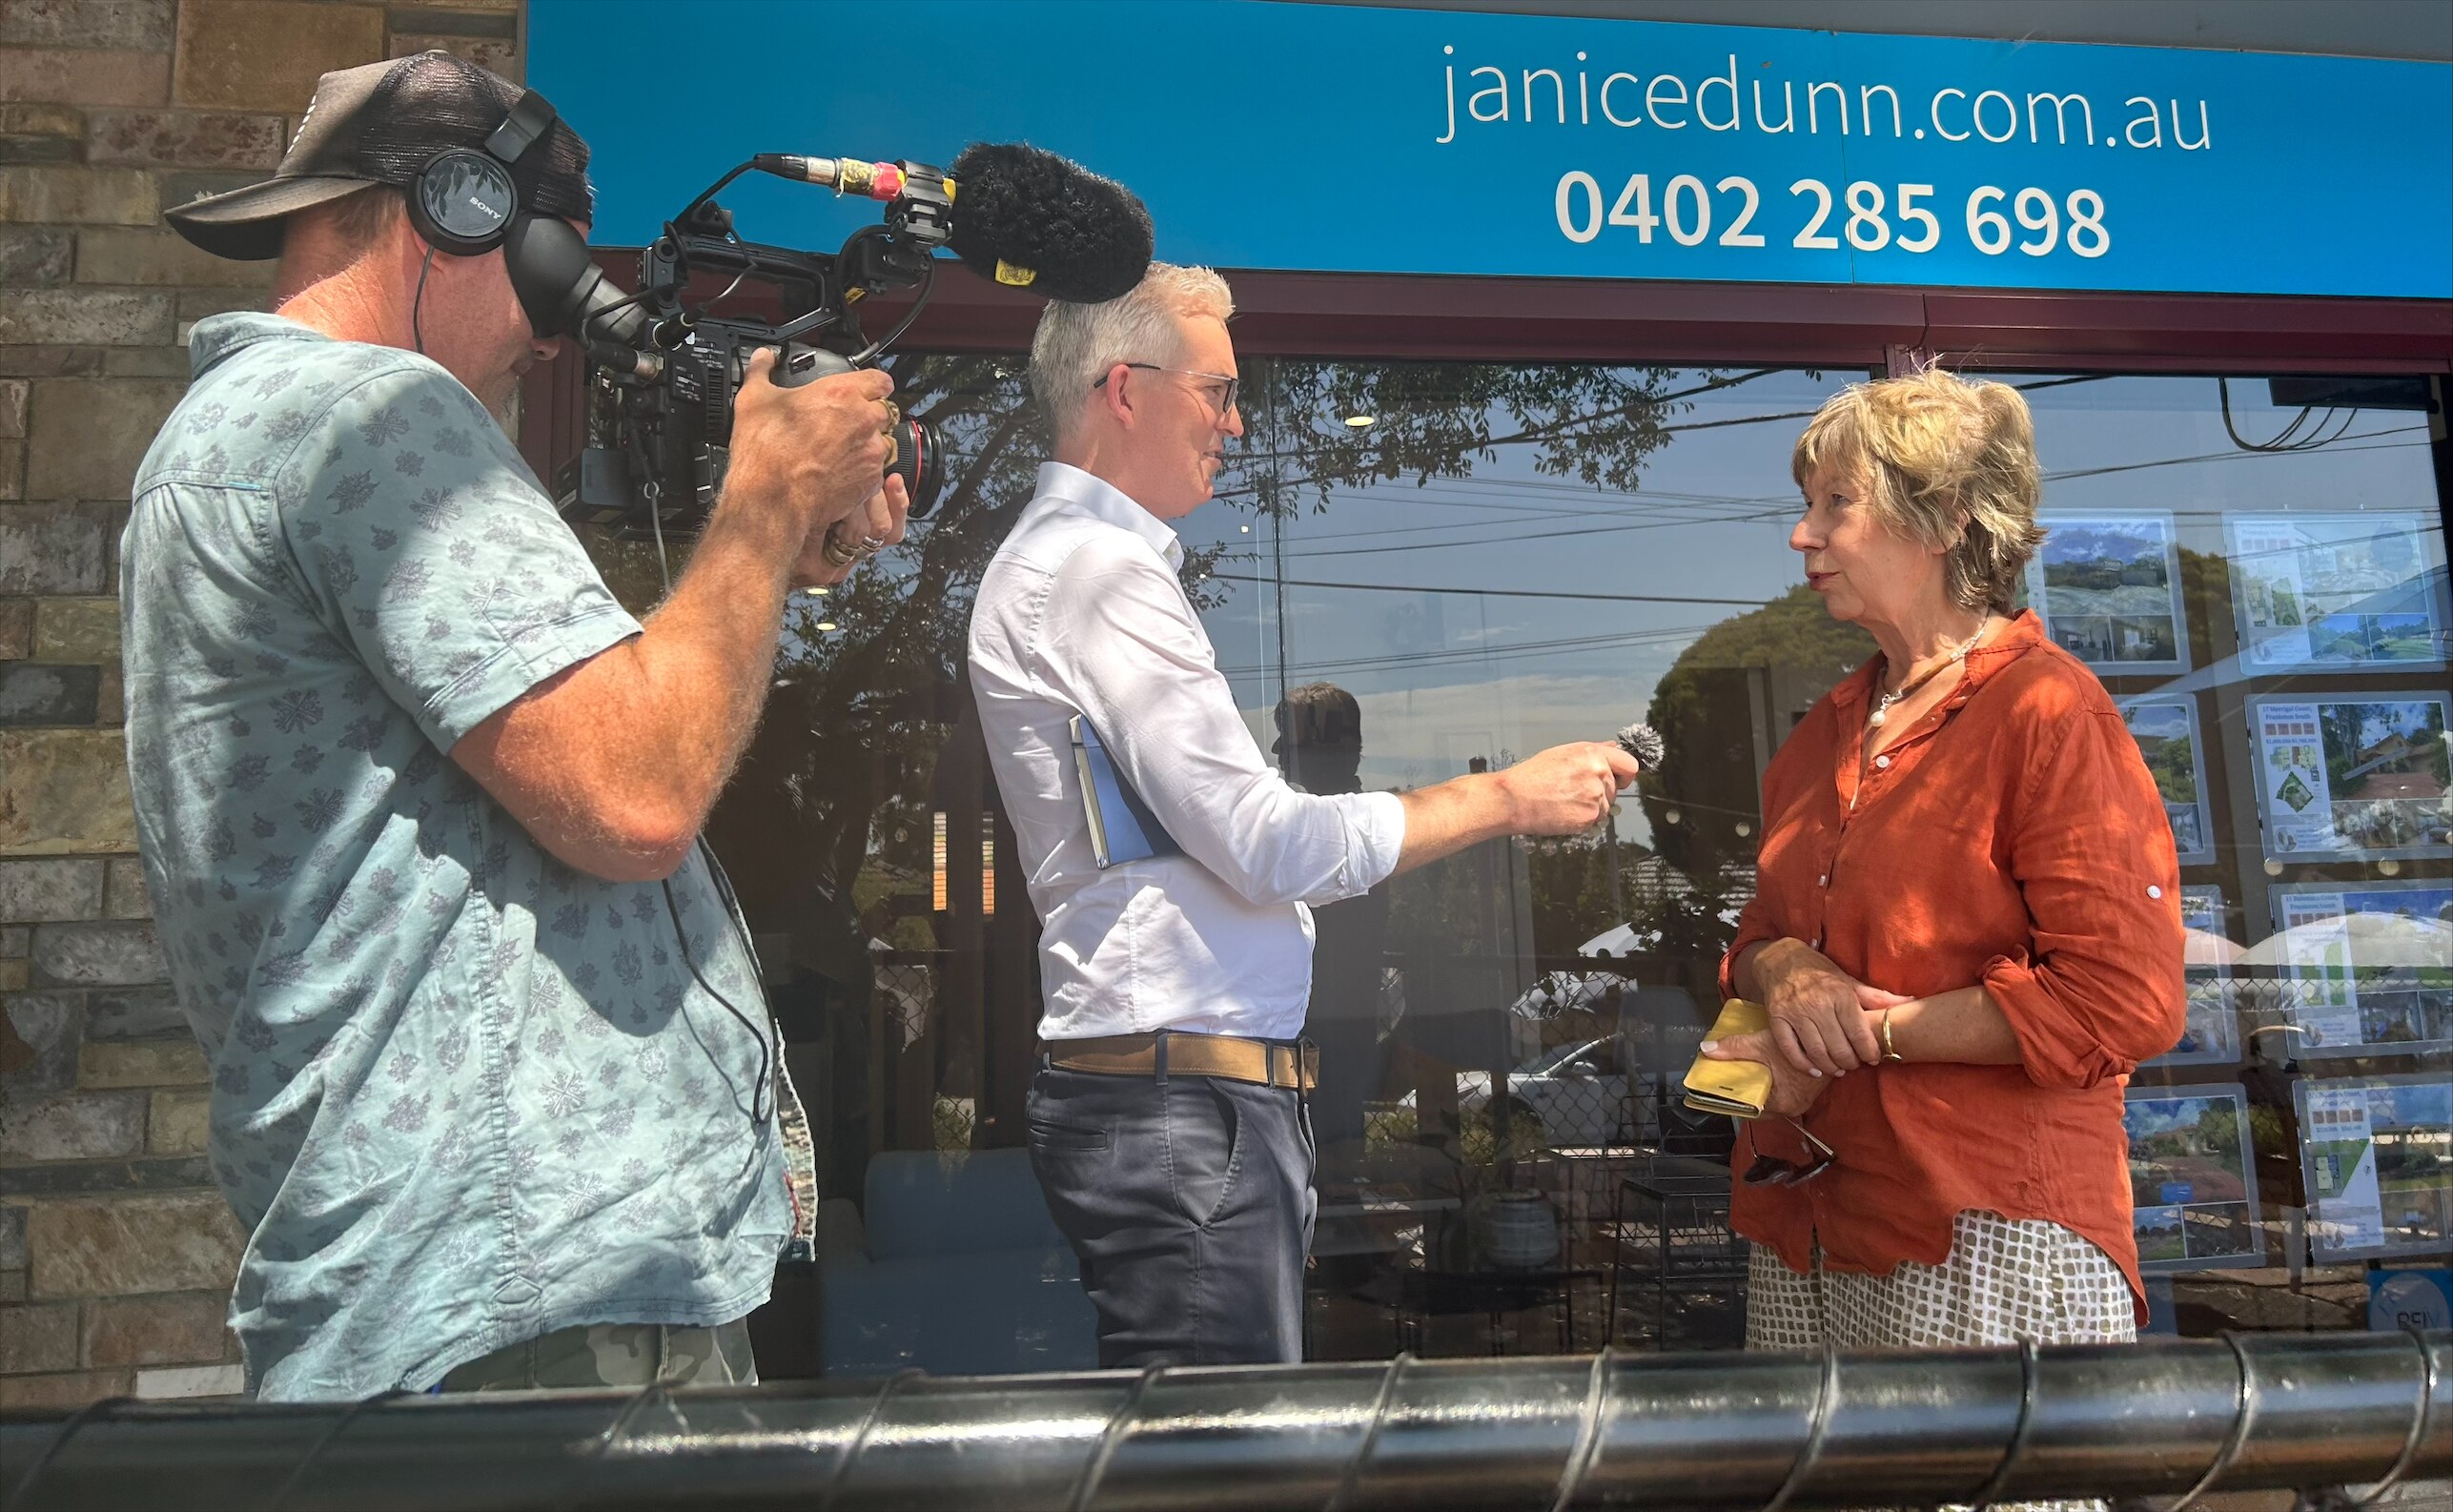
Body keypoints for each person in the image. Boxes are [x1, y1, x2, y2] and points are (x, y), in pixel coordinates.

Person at [120, 53, 910, 1400]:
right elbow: (634, 788)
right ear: (461, 207)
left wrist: (763, 551)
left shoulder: (225, 445)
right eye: (552, 262)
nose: (553, 331)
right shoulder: (369, 410)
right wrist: (768, 499)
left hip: (454, 1284)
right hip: (531, 1300)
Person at [967, 264, 1642, 1367]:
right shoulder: (1095, 571)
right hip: (1184, 1106)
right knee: (1218, 1462)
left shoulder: (1071, 566)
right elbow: (1269, 842)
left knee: (1206, 1451)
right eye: (1219, 391)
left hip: (1181, 1098)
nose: (1236, 423)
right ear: (1124, 390)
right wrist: (1506, 795)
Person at [1701, 368, 2184, 1372]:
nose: (1803, 535)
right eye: (1806, 505)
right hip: (1802, 1230)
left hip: (1986, 1229)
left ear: (1943, 520)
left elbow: (2122, 1001)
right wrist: (1779, 968)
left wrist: (1864, 1035)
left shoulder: (2045, 710)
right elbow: (1752, 944)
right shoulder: (1817, 738)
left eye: (1837, 503)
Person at [1276, 684, 1392, 1168]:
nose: (1279, 751)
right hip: (1319, 1026)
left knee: (1324, 1168)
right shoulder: (1347, 823)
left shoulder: (1348, 830)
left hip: (1326, 1030)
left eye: (1291, 739)